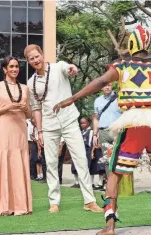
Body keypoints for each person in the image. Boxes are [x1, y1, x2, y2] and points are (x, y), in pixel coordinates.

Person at [53, 25, 151, 235]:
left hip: (134, 122)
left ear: (132, 44)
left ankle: (110, 226)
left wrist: (73, 98)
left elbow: (100, 81)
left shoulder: (123, 64)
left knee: (115, 174)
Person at [25, 44, 102, 213]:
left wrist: (72, 68)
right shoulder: (31, 83)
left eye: (37, 56)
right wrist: (40, 131)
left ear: (42, 55)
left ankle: (89, 201)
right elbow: (36, 108)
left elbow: (69, 68)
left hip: (69, 120)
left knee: (81, 159)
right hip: (49, 126)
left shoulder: (59, 67)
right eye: (32, 58)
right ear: (28, 61)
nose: (36, 60)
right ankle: (54, 202)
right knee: (51, 163)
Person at [0, 56, 32, 216]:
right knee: (4, 161)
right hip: (4, 128)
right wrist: (8, 107)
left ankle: (20, 205)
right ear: (5, 69)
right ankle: (2, 204)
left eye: (16, 66)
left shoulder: (24, 88)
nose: (15, 69)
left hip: (20, 130)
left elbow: (29, 113)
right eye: (11, 66)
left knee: (19, 162)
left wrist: (24, 108)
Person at [93, 83, 121, 177]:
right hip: (103, 131)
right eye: (105, 85)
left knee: (120, 158)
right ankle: (110, 183)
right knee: (106, 158)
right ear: (101, 87)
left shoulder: (119, 98)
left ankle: (121, 185)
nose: (107, 87)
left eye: (109, 85)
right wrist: (94, 134)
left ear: (112, 86)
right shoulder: (97, 101)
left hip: (117, 131)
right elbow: (96, 118)